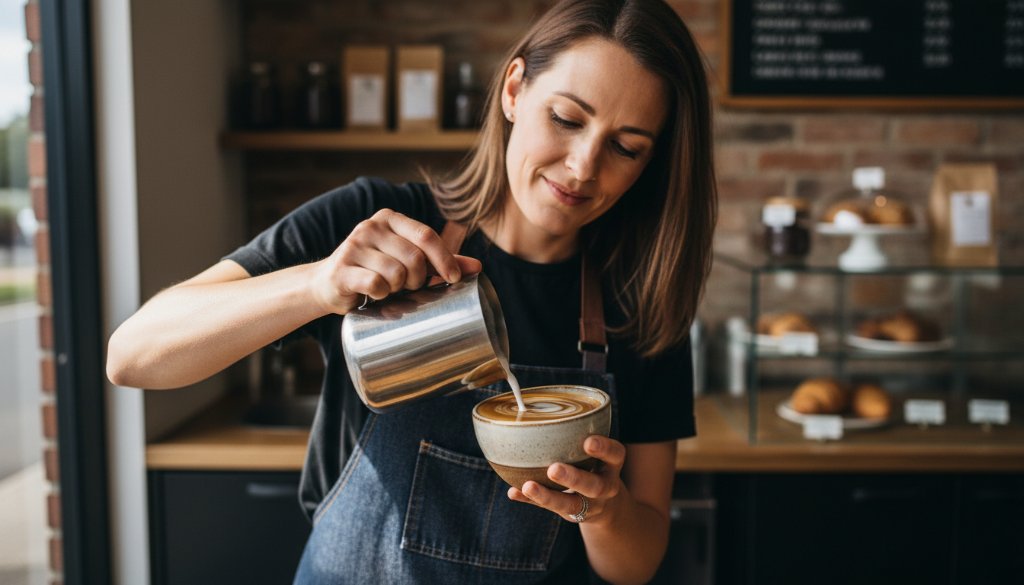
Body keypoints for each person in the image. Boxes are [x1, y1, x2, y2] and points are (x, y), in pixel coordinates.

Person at [107, 0, 716, 582]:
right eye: (566, 118)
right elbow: (133, 355)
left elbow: (636, 564)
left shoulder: (643, 302)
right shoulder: (376, 222)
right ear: (513, 91)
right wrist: (318, 283)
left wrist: (604, 511)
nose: (584, 166)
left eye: (625, 146)